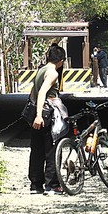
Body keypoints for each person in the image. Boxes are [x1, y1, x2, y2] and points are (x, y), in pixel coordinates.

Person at [28, 44, 67, 195]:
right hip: (48, 113)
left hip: (37, 111)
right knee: (52, 148)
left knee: (36, 149)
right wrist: (39, 115)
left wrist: (33, 112)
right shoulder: (53, 73)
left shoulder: (41, 70)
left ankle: (36, 185)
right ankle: (52, 185)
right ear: (61, 60)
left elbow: (33, 92)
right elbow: (42, 92)